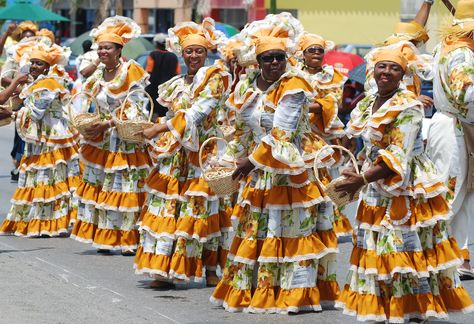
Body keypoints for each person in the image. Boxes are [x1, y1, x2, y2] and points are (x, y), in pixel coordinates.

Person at [211, 13, 340, 314]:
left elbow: (282, 132)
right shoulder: (245, 87)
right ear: (257, 61)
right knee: (258, 231)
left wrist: (249, 162)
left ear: (287, 57)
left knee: (293, 233)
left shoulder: (294, 84)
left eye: (279, 57)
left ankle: (296, 294)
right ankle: (259, 289)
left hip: (290, 170)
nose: (274, 63)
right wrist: (228, 159)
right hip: (258, 172)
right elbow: (241, 132)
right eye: (268, 58)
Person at [335, 48, 474, 322]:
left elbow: (399, 154)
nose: (386, 72)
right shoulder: (365, 104)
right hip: (375, 184)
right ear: (372, 69)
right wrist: (353, 164)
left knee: (403, 248)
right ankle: (386, 305)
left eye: (394, 68)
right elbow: (362, 143)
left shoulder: (409, 106)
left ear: (403, 74)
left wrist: (362, 178)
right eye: (382, 67)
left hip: (404, 184)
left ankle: (413, 308)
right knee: (377, 246)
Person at [133, 17, 231, 288]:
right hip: (175, 157)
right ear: (182, 53)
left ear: (207, 52)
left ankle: (210, 267)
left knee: (202, 210)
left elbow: (197, 114)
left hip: (203, 155)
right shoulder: (175, 83)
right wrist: (153, 126)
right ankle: (164, 270)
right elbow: (171, 112)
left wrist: (160, 128)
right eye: (189, 51)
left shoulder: (214, 79)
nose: (194, 55)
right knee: (168, 208)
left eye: (199, 50)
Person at [70, 16, 151, 256]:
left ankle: (127, 240)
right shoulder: (98, 74)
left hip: (124, 140)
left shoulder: (131, 71)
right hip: (101, 140)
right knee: (103, 187)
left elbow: (138, 108)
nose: (103, 51)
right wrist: (85, 120)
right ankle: (106, 237)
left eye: (108, 48)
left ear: (119, 50)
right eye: (100, 48)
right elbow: (84, 96)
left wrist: (110, 123)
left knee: (125, 188)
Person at [0, 43, 81, 237]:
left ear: (48, 66)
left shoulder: (48, 83)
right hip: (40, 136)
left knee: (51, 178)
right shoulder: (37, 83)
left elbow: (35, 113)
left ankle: (51, 222)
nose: (35, 66)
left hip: (52, 135)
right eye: (33, 63)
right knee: (40, 178)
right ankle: (41, 219)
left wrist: (11, 112)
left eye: (39, 63)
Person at [429, 0, 474, 279]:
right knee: (452, 192)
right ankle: (433, 255)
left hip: (452, 124)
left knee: (461, 192)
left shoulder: (447, 49)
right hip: (455, 126)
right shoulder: (463, 55)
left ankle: (455, 257)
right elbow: (466, 95)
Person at [296, 32, 353, 238]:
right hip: (299, 136)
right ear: (303, 54)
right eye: (312, 50)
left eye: (320, 50)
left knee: (327, 180)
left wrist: (301, 106)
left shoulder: (333, 77)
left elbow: (332, 103)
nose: (317, 54)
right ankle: (304, 220)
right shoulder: (293, 75)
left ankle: (328, 224)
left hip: (324, 137)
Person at [144, 33, 180, 119]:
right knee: (166, 113)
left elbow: (149, 71)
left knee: (153, 112)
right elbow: (178, 73)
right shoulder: (173, 56)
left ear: (156, 43)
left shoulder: (153, 55)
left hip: (153, 88)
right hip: (168, 89)